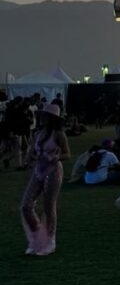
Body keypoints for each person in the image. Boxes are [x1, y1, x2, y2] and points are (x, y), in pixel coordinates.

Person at [20, 102, 69, 256]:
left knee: (49, 207)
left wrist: (55, 157)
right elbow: (32, 149)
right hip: (38, 170)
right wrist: (28, 159)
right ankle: (37, 240)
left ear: (52, 118)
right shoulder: (38, 134)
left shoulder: (59, 134)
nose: (42, 118)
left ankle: (50, 242)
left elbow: (67, 154)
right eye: (42, 115)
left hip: (53, 171)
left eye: (45, 116)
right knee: (26, 206)